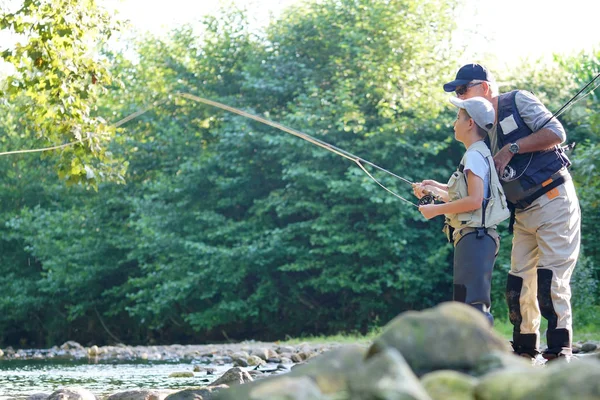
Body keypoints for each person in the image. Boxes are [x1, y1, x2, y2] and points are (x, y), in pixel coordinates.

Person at [442, 63, 581, 361]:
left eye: (464, 89)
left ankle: (559, 353)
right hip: (522, 212)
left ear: (486, 87)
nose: (461, 96)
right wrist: (439, 192)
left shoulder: (517, 101)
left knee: (550, 279)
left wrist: (511, 148)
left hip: (553, 197)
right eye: (458, 93)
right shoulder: (479, 131)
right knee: (517, 284)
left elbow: (556, 132)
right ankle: (524, 352)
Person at [413, 96, 510, 326]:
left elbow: (475, 201)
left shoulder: (474, 156)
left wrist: (436, 211)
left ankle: (481, 356)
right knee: (464, 303)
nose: (453, 123)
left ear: (469, 124)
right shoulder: (476, 153)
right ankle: (470, 356)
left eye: (458, 118)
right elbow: (467, 198)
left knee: (473, 306)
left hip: (476, 238)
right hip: (473, 239)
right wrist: (435, 189)